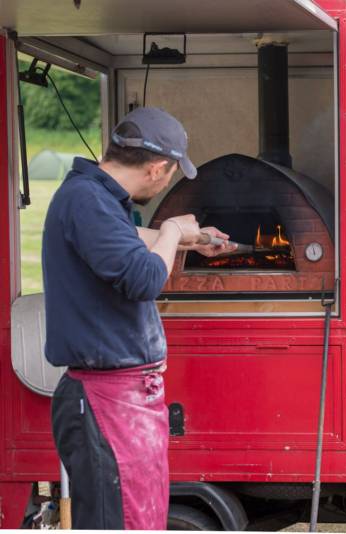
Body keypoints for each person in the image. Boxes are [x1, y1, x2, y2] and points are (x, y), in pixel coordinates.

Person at [42, 107, 234, 529]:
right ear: (158, 168)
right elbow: (144, 278)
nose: (169, 181)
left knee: (138, 518)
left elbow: (125, 239)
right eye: (171, 174)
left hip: (123, 399)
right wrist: (170, 231)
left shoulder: (95, 198)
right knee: (120, 521)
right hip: (103, 400)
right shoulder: (85, 200)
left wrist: (194, 241)